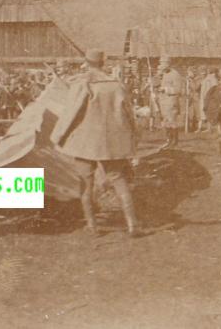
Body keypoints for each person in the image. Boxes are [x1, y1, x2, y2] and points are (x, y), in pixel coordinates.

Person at [50, 49, 140, 237]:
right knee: (118, 179)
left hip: (86, 142)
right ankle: (132, 225)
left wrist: (57, 136)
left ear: (86, 62)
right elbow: (129, 114)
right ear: (103, 62)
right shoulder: (117, 85)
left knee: (86, 182)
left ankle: (92, 226)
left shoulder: (83, 84)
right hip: (112, 142)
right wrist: (134, 136)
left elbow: (70, 113)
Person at [158, 56, 184, 149]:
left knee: (172, 121)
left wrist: (165, 89)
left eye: (163, 63)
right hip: (164, 102)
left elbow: (178, 89)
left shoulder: (175, 74)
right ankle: (168, 140)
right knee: (165, 122)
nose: (161, 65)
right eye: (160, 63)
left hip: (171, 102)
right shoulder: (164, 74)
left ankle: (174, 141)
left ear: (169, 63)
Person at [198, 68, 219, 132]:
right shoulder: (212, 79)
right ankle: (207, 129)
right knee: (206, 113)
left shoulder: (207, 79)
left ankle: (208, 129)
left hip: (206, 98)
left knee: (207, 113)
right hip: (207, 98)